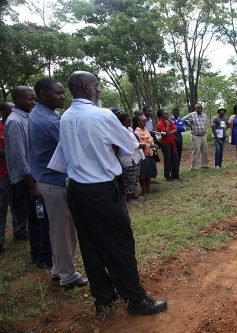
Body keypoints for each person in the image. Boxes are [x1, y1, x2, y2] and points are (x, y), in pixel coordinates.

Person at [59, 71, 166, 315]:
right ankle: (136, 300)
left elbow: (61, 157)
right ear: (86, 88)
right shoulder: (102, 115)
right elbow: (128, 145)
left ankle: (103, 297)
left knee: (91, 245)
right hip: (100, 189)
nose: (99, 90)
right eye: (96, 86)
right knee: (119, 244)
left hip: (76, 190)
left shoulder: (65, 117)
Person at [28, 77, 88, 288]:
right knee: (65, 231)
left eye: (63, 92)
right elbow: (71, 149)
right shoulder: (50, 121)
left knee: (57, 229)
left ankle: (58, 268)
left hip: (46, 179)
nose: (63, 96)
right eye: (58, 92)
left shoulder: (38, 114)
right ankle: (68, 275)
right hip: (55, 182)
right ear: (42, 94)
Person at [5, 86, 52, 267]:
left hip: (34, 177)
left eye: (34, 99)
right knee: (38, 219)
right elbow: (19, 156)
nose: (33, 102)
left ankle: (41, 253)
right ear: (17, 100)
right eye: (30, 99)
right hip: (27, 180)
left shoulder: (27, 118)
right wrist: (32, 186)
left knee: (38, 217)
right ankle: (41, 256)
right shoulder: (15, 122)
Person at [117, 113, 144, 201]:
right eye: (128, 120)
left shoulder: (129, 129)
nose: (130, 122)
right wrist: (140, 145)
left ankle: (133, 193)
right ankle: (128, 197)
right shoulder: (120, 131)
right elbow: (128, 144)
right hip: (127, 157)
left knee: (135, 176)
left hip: (135, 156)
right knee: (129, 178)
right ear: (122, 121)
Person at [0, 102, 14, 253]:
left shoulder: (12, 124)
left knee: (18, 205)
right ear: (3, 112)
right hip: (2, 175)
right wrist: (12, 151)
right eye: (11, 110)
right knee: (1, 210)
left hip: (14, 174)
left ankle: (20, 232)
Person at [134, 115, 157, 195]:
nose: (145, 123)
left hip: (150, 153)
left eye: (145, 121)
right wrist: (150, 145)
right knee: (143, 173)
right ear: (138, 122)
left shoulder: (146, 130)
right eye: (143, 121)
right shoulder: (137, 132)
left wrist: (154, 146)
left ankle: (148, 189)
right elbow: (140, 143)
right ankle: (144, 190)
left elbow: (151, 139)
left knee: (149, 172)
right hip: (142, 154)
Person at [183, 102, 209, 170]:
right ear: (195, 108)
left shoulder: (204, 115)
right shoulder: (192, 115)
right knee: (196, 151)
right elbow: (183, 119)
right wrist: (190, 125)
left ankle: (205, 165)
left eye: (201, 108)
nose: (200, 109)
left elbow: (205, 123)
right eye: (198, 108)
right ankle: (193, 167)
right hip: (195, 136)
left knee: (205, 151)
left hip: (203, 135)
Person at [157, 109, 179, 180]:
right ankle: (167, 176)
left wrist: (168, 133)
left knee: (175, 158)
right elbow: (165, 132)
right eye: (165, 114)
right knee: (168, 159)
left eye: (167, 113)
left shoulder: (170, 121)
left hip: (172, 142)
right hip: (165, 143)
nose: (167, 115)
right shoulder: (160, 123)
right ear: (161, 116)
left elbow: (175, 129)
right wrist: (167, 125)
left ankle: (175, 174)